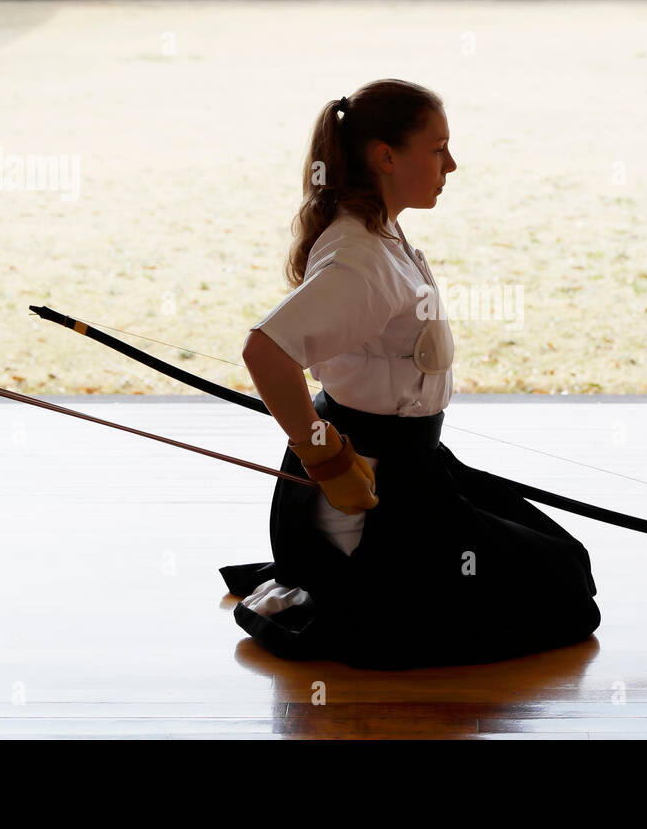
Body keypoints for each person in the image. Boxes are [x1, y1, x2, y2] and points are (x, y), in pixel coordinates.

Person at [220, 78, 600, 669]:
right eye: (438, 148)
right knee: (566, 598)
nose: (452, 164)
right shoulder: (360, 258)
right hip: (370, 498)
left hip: (413, 470)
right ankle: (353, 585)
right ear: (385, 156)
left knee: (565, 561)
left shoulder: (379, 231)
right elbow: (266, 352)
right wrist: (324, 457)